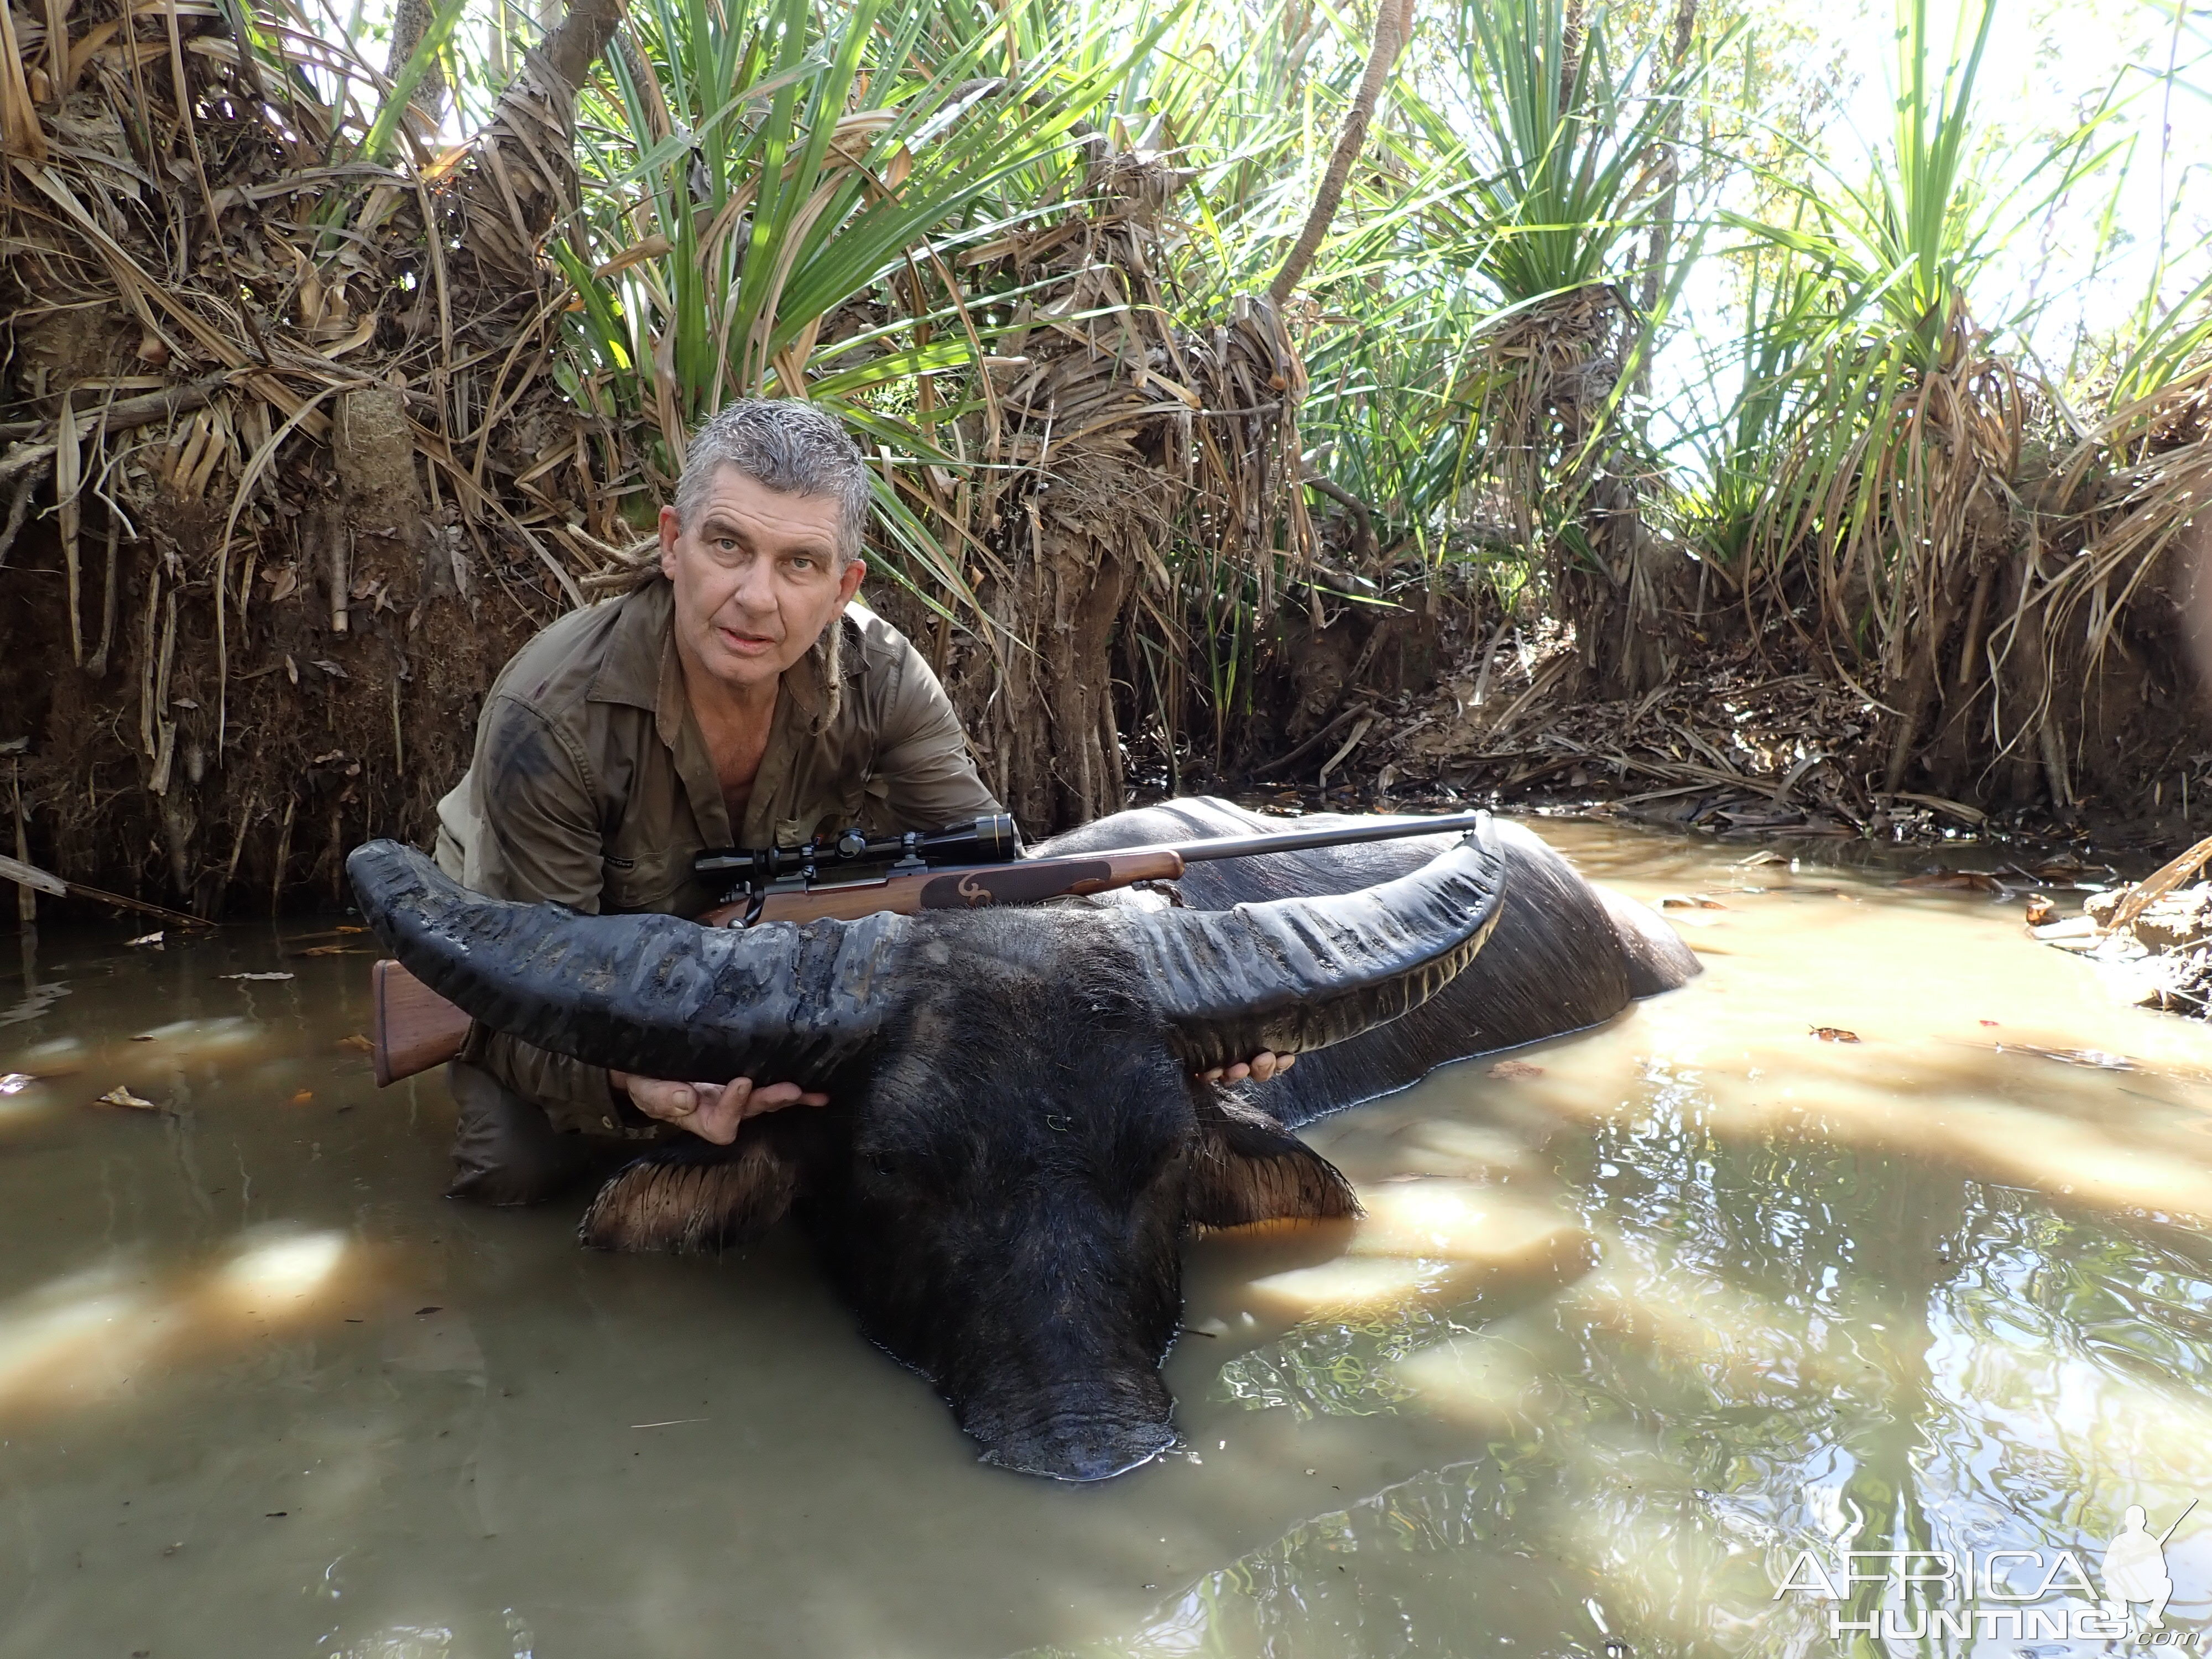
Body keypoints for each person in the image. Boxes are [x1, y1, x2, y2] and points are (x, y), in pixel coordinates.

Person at [431, 399, 1284, 1204]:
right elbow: (524, 978)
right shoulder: (549, 710)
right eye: (728, 546)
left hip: (765, 955)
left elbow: (992, 885)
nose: (756, 597)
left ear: (844, 587)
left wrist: (1182, 1004)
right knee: (515, 1170)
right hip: (543, 939)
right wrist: (633, 1081)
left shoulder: (883, 676)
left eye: (798, 564)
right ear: (672, 543)